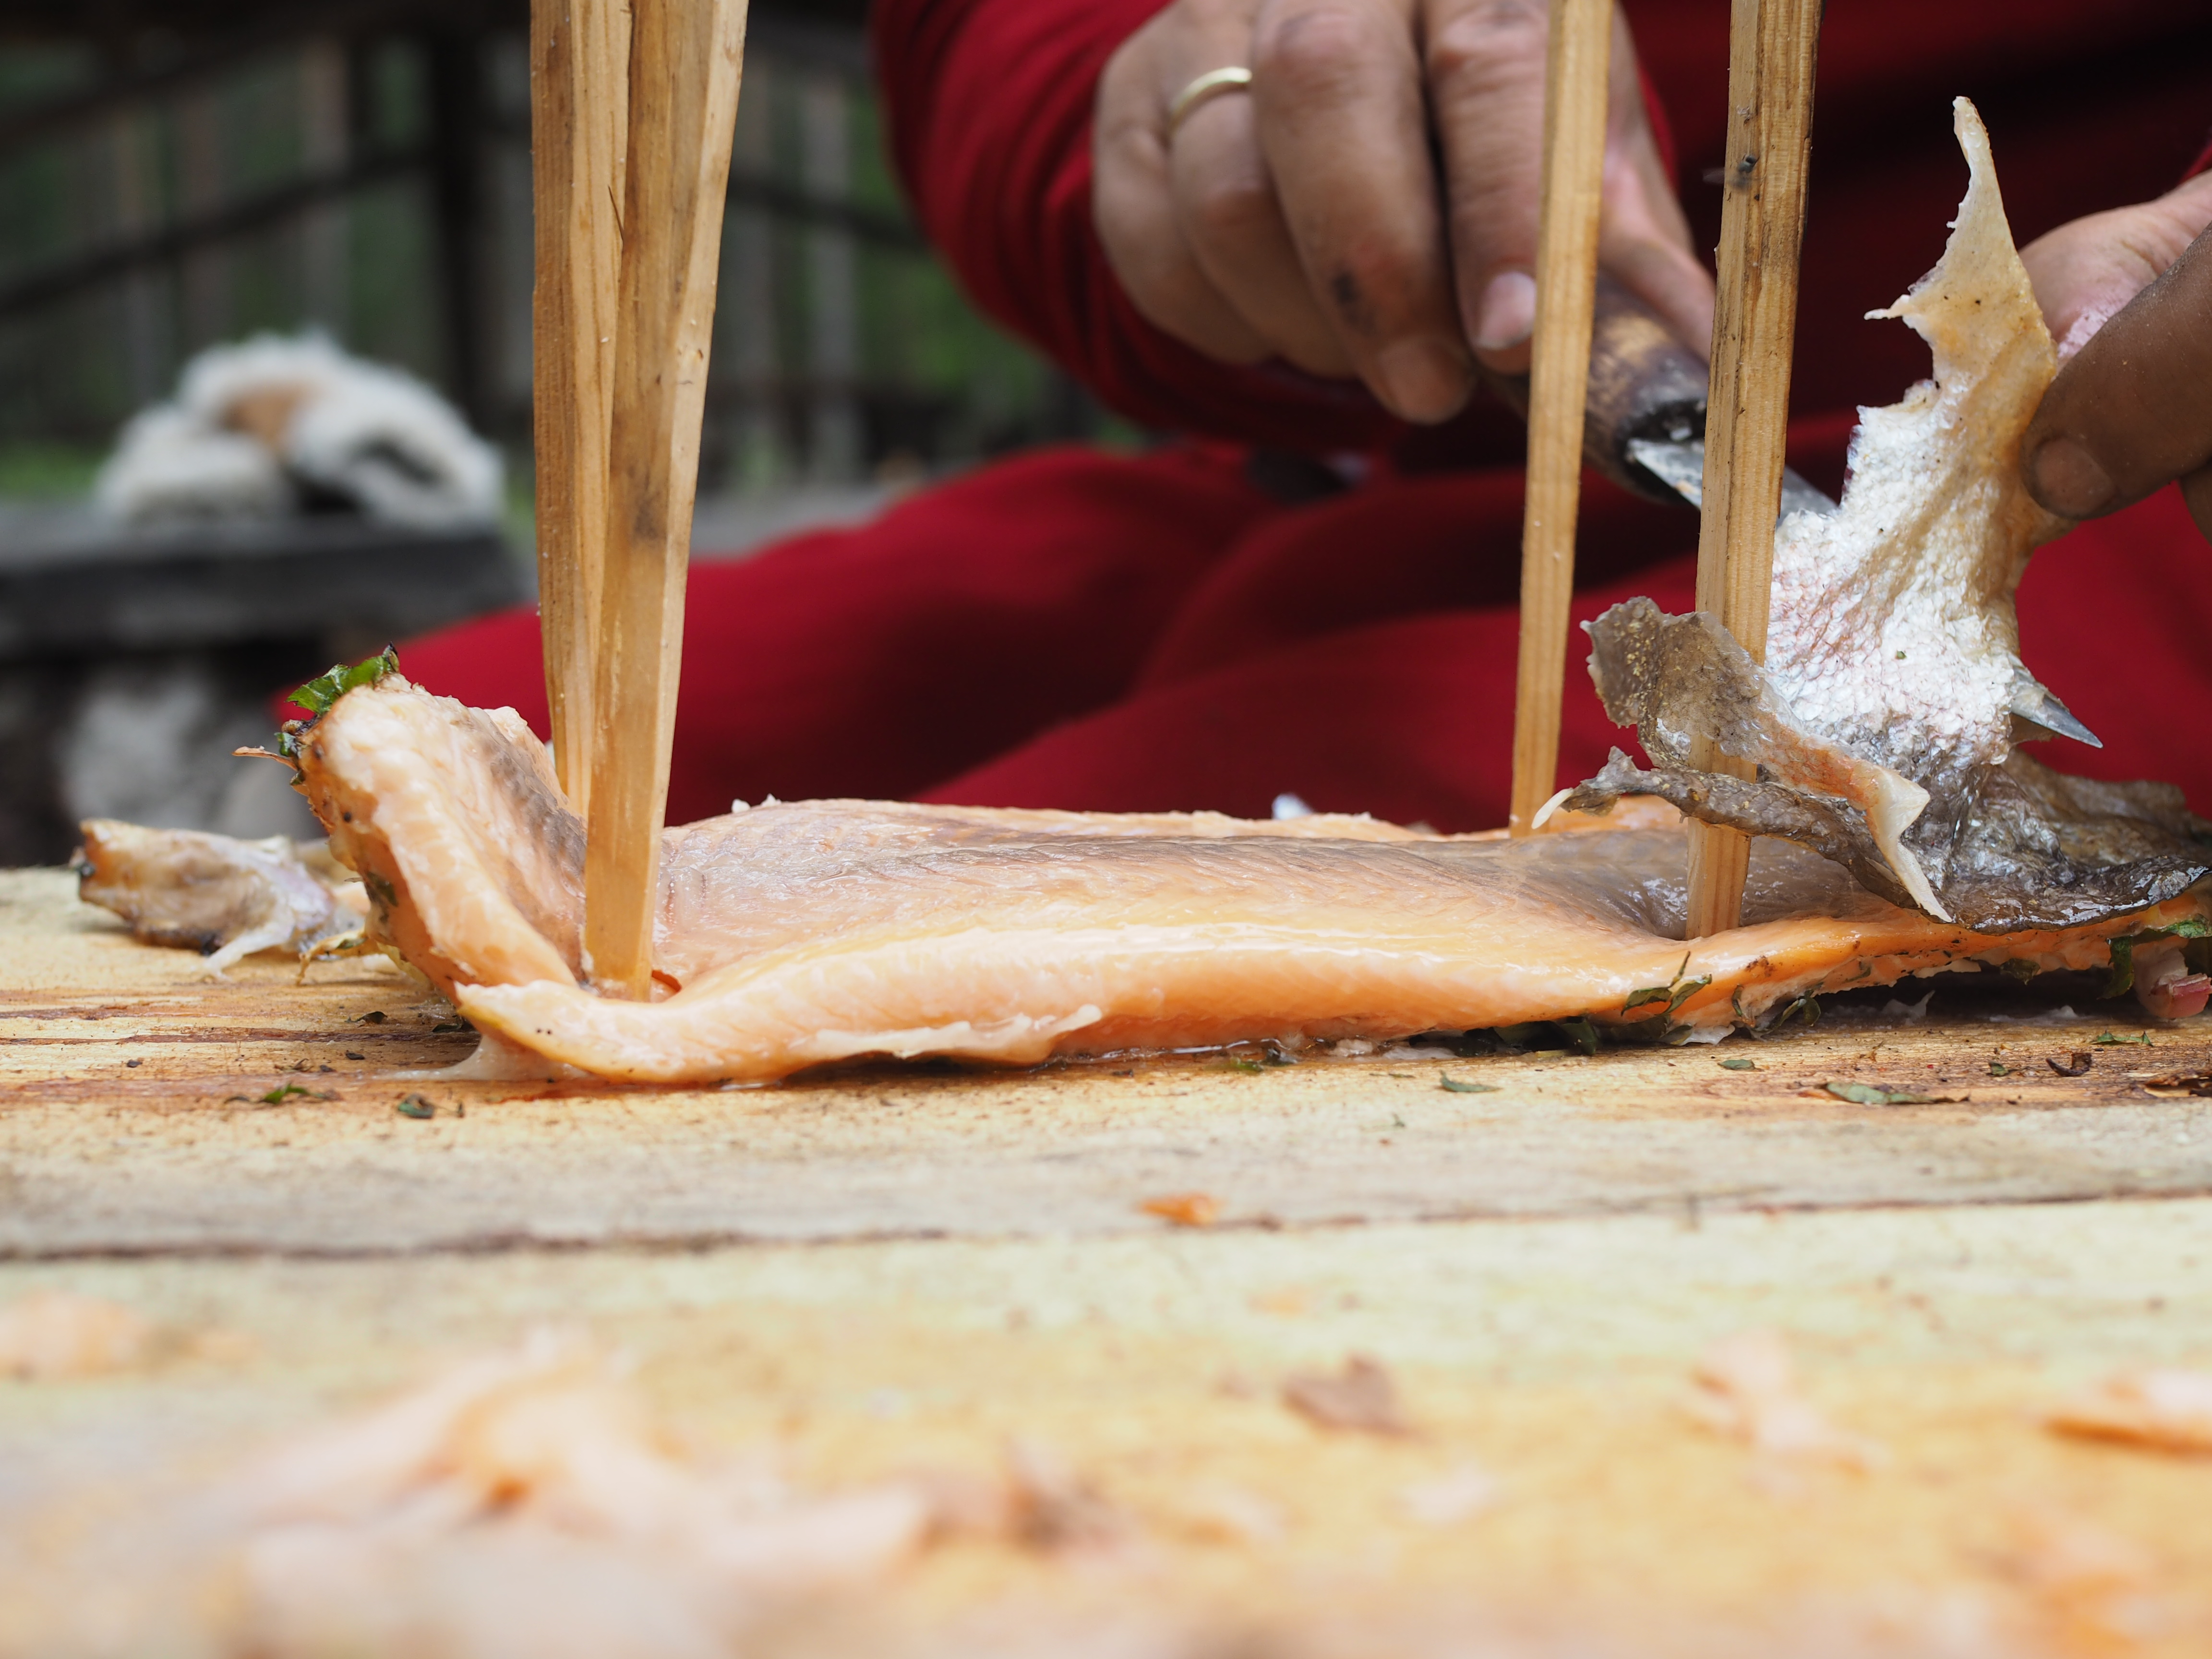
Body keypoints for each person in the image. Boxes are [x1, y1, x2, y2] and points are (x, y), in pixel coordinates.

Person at [397, 0, 2212, 832]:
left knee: (1098, 847)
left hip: (2110, 518)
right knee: (459, 743)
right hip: (1430, 442)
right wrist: (1162, 106)